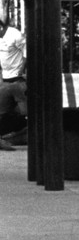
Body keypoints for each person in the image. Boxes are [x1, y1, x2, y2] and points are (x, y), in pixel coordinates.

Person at [0, 17, 27, 151]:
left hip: (17, 79)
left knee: (23, 111)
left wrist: (21, 69)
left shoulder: (14, 34)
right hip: (5, 80)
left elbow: (27, 51)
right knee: (3, 110)